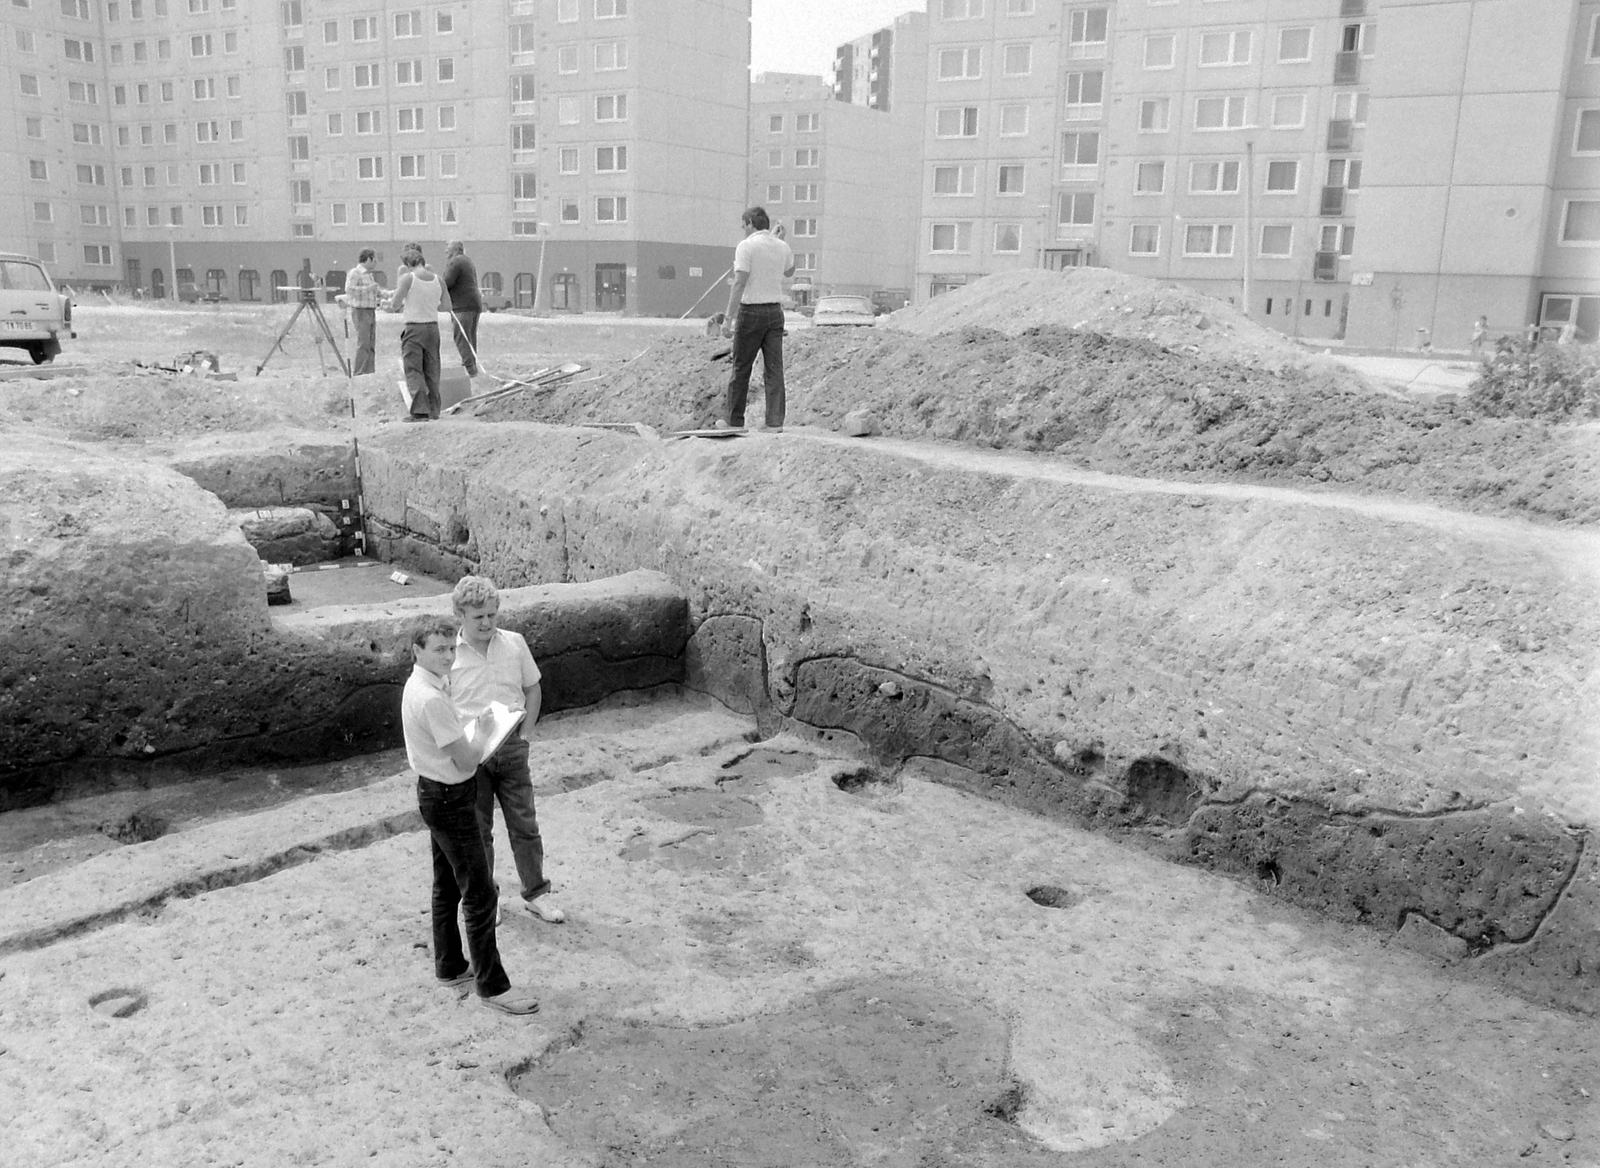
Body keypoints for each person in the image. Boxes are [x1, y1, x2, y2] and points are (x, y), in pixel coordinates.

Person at [402, 621, 540, 1015]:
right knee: (479, 894)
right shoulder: (429, 696)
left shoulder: (425, 687)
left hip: (435, 792)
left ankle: (449, 965)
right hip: (450, 797)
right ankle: (492, 986)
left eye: (450, 649)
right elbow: (466, 758)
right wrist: (485, 730)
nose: (448, 656)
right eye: (439, 650)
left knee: (446, 884)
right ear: (417, 651)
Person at [449, 576, 567, 925]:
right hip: (473, 752)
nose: (486, 623)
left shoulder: (514, 643)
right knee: (478, 830)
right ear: (460, 615)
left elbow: (533, 689)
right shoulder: (450, 656)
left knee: (525, 825)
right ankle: (488, 897)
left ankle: (537, 894)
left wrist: (526, 735)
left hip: (512, 744)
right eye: (478, 617)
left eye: (491, 615)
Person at [720, 207, 795, 432]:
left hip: (750, 311)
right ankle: (774, 421)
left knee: (741, 366)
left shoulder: (746, 247)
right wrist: (778, 240)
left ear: (751, 223)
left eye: (744, 225)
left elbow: (740, 281)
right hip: (775, 312)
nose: (743, 229)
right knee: (774, 368)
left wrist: (728, 319)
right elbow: (790, 272)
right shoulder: (781, 246)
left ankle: (734, 420)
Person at [387, 245, 445, 421]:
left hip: (414, 328)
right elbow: (447, 306)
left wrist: (396, 304)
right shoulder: (438, 279)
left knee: (414, 369)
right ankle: (435, 410)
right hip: (433, 328)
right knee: (432, 369)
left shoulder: (408, 279)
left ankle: (420, 411)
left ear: (408, 264)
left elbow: (395, 304)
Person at [442, 241, 484, 378]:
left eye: (447, 248)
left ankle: (470, 371)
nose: (445, 252)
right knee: (470, 337)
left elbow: (446, 283)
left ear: (455, 249)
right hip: (474, 304)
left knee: (461, 338)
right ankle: (472, 367)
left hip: (462, 306)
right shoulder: (467, 261)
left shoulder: (455, 262)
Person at [338, 248, 381, 376]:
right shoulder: (355, 273)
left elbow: (376, 291)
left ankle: (370, 371)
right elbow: (349, 290)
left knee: (371, 342)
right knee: (363, 342)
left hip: (371, 310)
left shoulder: (369, 275)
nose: (375, 262)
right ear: (368, 259)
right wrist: (368, 288)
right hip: (360, 311)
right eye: (374, 259)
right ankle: (359, 371)